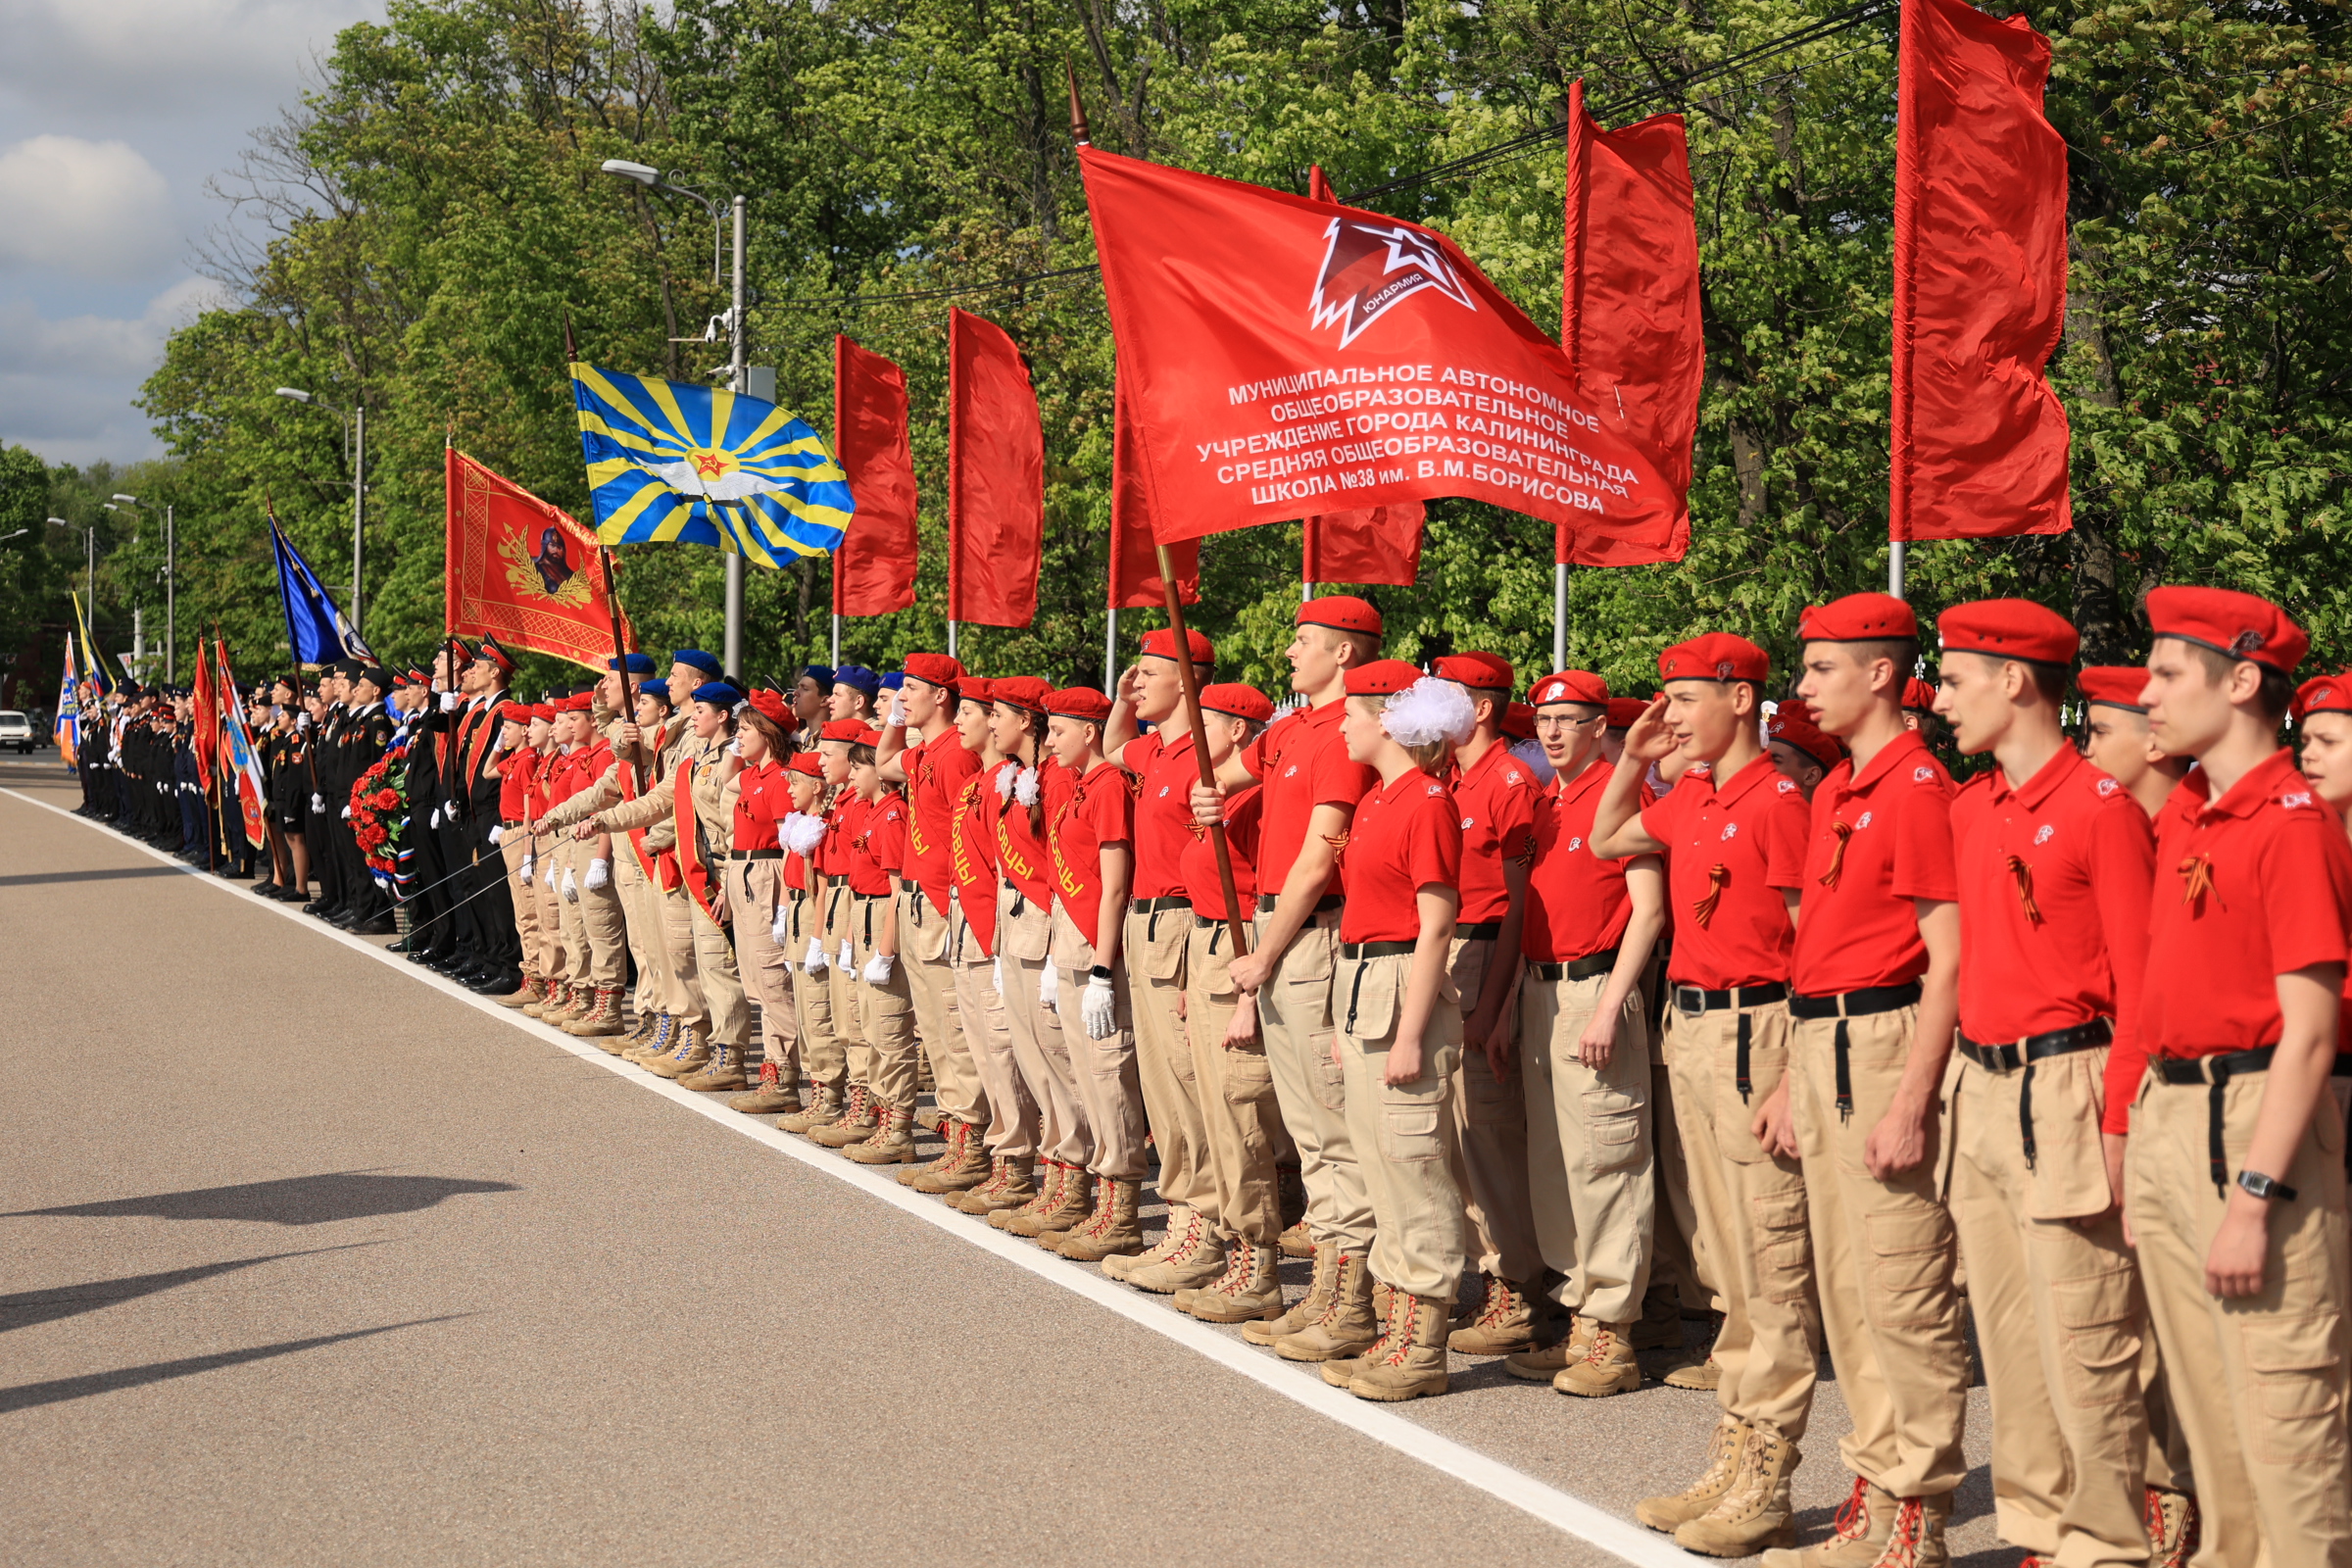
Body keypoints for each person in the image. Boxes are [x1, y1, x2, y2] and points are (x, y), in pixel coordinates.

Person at [2126, 587, 2352, 1568]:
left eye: (2168, 674)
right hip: (2175, 1109)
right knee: (2215, 1428)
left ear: (2244, 681)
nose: (2148, 693)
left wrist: (2255, 1197)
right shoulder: (2194, 811)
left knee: (2285, 1424)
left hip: (2254, 1118)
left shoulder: (2292, 823)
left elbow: (2311, 1033)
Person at [1933, 601, 2161, 1568]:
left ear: (2013, 680)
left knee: (2086, 1341)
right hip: (1981, 1087)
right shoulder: (1970, 806)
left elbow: (2143, 988)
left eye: (1954, 681)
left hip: (2068, 1085)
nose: (1939, 701)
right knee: (2012, 1341)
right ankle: (2037, 1534)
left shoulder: (2104, 809)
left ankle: (2105, 1544)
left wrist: (2119, 1129)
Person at [1592, 634, 1816, 1554]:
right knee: (1725, 1253)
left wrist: (1796, 1075)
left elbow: (1812, 946)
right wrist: (1634, 761)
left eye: (1685, 700)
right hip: (1692, 1026)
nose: (1671, 716)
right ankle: (1734, 1446)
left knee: (1771, 1259)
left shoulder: (1779, 801)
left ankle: (1767, 1470)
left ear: (1741, 699)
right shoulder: (1695, 794)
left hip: (1759, 1031)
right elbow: (1607, 838)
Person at [1761, 593, 1970, 1568]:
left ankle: (1915, 1509)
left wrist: (1912, 1099)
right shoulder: (1842, 786)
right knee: (1850, 1290)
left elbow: (1949, 957)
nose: (1803, 687)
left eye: (1821, 668)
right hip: (1823, 1041)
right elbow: (1814, 947)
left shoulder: (1918, 787)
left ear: (1880, 673)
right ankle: (1879, 1491)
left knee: (1902, 1284)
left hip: (1882, 1042)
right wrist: (1786, 1076)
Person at [1194, 596, 1383, 1364]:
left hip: (1308, 933)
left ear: (1344, 653)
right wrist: (1214, 791)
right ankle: (1328, 1293)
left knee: (1332, 1132)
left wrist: (1264, 957)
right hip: (1280, 929)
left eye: (1304, 641)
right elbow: (1223, 772)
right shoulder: (1291, 730)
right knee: (1308, 1131)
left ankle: (1350, 1299)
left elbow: (1318, 857)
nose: (1289, 653)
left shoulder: (1344, 733)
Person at [1309, 660, 1473, 1401]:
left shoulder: (1428, 802)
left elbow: (1436, 925)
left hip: (1401, 985)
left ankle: (1423, 1344)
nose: (1341, 728)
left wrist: (1411, 1034)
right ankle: (1397, 1327)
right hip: (1362, 983)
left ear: (1387, 721)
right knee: (1381, 1164)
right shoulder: (1380, 798)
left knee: (1414, 1165)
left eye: (1350, 715)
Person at [1508, 668, 1665, 1398]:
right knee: (1556, 1167)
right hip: (1542, 991)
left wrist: (1609, 1006)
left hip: (1595, 990)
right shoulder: (1549, 801)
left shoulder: (1618, 795)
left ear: (1600, 728)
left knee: (1607, 1162)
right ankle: (1580, 1316)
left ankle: (1614, 1331)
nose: (1550, 732)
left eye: (1567, 719)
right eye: (1544, 720)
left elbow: (1649, 911)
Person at [1426, 652, 1548, 1356]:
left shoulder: (1508, 782)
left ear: (1479, 709)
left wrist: (1496, 1005)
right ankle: (1490, 1271)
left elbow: (1519, 907)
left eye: (1446, 694)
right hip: (1450, 949)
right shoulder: (1448, 776)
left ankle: (1519, 1285)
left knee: (1489, 1131)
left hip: (1484, 951)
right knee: (1455, 1132)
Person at [1101, 627, 1223, 1289]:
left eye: (1150, 671)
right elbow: (1111, 747)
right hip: (1144, 925)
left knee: (1186, 1083)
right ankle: (1180, 1223)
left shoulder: (1210, 750)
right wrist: (1125, 699)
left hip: (1182, 924)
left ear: (1189, 677)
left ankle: (1203, 1231)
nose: (1137, 680)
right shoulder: (1154, 749)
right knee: (1161, 1088)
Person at [1167, 681, 1289, 1318]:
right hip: (1208, 950)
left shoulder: (1261, 799)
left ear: (1239, 732)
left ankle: (1257, 1263)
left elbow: (1260, 901)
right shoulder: (1222, 795)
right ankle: (1232, 1247)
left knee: (1242, 1116)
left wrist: (1248, 997)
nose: (1193, 735)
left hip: (1241, 956)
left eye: (1206, 724)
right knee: (1216, 1113)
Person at [1040, 685, 1147, 1260]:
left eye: (1058, 731)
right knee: (1086, 1073)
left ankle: (1121, 1210)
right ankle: (1103, 1198)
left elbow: (1114, 886)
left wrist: (1103, 969)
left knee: (1108, 1074)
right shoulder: (1082, 784)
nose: (1049, 741)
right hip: (1072, 940)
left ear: (1089, 731)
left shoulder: (1107, 785)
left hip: (1097, 946)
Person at [876, 654, 989, 1188]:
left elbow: (968, 837)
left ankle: (972, 1146)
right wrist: (896, 720)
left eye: (911, 689)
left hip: (945, 903)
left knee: (954, 1029)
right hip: (919, 900)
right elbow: (884, 763)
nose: (901, 697)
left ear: (941, 695)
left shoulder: (956, 755)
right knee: (935, 1030)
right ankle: (955, 1139)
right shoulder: (926, 751)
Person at [987, 677, 1094, 1237]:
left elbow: (1061, 861)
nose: (989, 723)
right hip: (1016, 920)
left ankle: (1072, 1178)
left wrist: (1057, 947)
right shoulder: (1019, 775)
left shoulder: (1055, 778)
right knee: (1033, 1057)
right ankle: (1055, 1172)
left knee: (1056, 1059)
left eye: (998, 713)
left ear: (1025, 721)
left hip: (1045, 921)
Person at [938, 677, 1043, 1212]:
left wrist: (995, 939)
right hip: (970, 923)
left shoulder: (1011, 782)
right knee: (982, 1048)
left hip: (995, 927)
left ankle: (1016, 1163)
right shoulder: (978, 783)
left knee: (1003, 1051)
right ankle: (1001, 1153)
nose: (960, 721)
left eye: (974, 712)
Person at [2079, 666, 2191, 820]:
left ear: (2157, 745)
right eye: (2086, 737)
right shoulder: (2089, 825)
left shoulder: (2204, 832)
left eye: (2100, 733)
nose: (2084, 751)